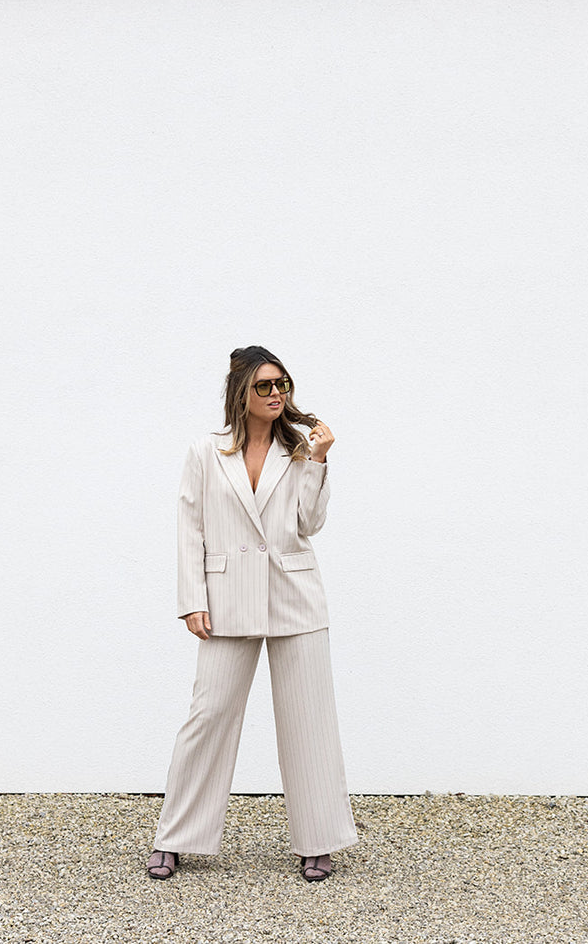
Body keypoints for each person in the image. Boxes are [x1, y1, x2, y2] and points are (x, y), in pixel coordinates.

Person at [146, 346, 358, 882]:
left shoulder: (299, 449)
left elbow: (308, 524)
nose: (276, 394)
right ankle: (175, 837)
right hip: (226, 598)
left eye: (282, 384)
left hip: (295, 595)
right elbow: (189, 527)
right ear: (241, 391)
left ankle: (319, 841)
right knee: (208, 716)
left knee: (309, 721)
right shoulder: (206, 451)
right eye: (264, 385)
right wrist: (192, 600)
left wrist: (318, 459)